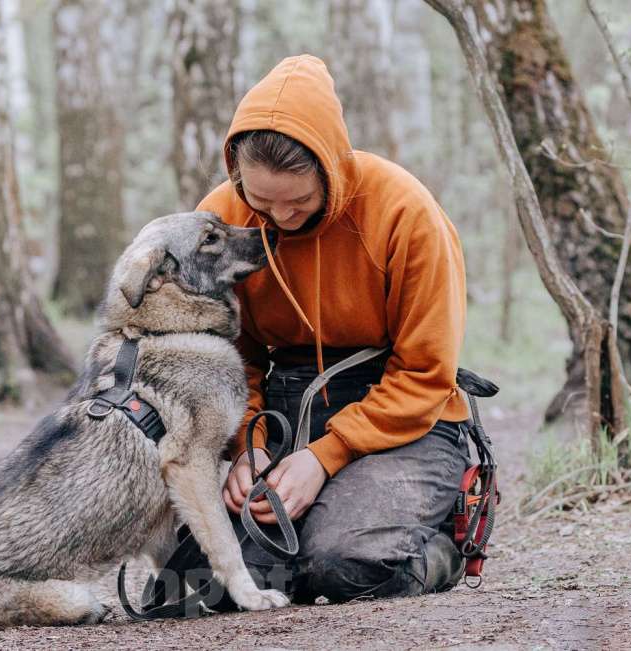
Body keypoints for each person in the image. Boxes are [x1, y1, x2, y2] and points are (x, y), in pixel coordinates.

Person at [195, 54, 471, 603]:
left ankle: (440, 548)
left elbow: (426, 372)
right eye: (260, 200)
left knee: (341, 564)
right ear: (235, 174)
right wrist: (247, 447)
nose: (280, 218)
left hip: (406, 423)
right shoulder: (221, 219)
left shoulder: (403, 212)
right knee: (211, 581)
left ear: (332, 170)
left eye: (298, 201)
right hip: (282, 415)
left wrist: (326, 455)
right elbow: (225, 358)